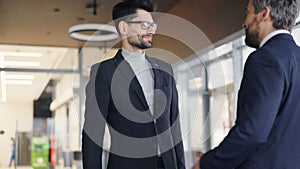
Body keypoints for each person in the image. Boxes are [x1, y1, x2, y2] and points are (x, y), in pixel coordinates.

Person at [192, 0, 300, 168]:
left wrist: (206, 164)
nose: (244, 23)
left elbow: (252, 132)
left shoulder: (265, 59)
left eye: (248, 13)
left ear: (264, 14)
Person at [82, 0, 186, 169]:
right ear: (124, 28)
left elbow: (175, 128)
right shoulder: (104, 72)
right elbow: (93, 134)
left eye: (153, 25)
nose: (151, 30)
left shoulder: (166, 69)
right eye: (145, 24)